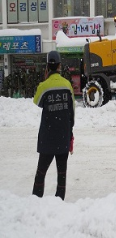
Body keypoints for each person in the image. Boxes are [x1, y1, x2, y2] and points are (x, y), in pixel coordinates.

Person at [32, 51, 75, 201]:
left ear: (47, 67)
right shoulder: (67, 85)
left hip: (47, 138)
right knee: (61, 173)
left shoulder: (44, 86)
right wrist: (70, 133)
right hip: (63, 135)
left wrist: (45, 80)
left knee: (41, 172)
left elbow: (37, 102)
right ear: (59, 66)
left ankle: (36, 200)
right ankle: (59, 201)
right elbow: (72, 113)